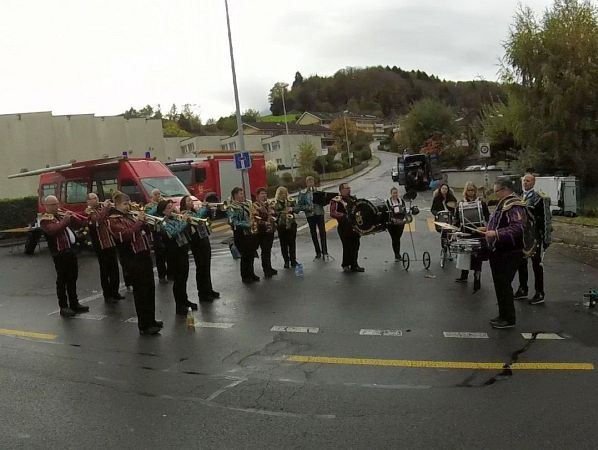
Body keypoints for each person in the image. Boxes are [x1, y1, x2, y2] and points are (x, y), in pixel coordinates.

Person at [107, 192, 161, 335]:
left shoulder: (130, 216)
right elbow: (124, 235)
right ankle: (144, 324)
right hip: (132, 258)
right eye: (125, 204)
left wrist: (146, 224)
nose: (128, 206)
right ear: (117, 205)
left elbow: (142, 231)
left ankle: (151, 319)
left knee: (149, 289)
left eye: (128, 203)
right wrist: (140, 222)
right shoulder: (113, 220)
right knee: (141, 291)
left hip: (144, 254)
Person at [483, 178, 526, 329]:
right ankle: (503, 315)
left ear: (505, 189)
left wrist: (495, 233)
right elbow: (498, 221)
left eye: (497, 191)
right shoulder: (504, 203)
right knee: (499, 284)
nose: (495, 195)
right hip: (498, 250)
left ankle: (509, 318)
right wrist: (487, 229)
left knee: (504, 285)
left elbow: (517, 228)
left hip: (509, 251)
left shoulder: (514, 205)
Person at [40, 196, 89, 317]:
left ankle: (74, 303)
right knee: (62, 280)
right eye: (53, 205)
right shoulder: (45, 219)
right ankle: (63, 306)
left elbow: (80, 223)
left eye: (57, 204)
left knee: (73, 278)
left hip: (70, 251)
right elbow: (53, 230)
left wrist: (75, 217)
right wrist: (66, 220)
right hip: (59, 253)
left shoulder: (60, 216)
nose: (57, 206)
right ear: (47, 206)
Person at [514, 173, 550, 305]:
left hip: (535, 236)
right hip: (523, 237)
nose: (525, 183)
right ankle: (523, 288)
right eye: (524, 181)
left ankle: (540, 292)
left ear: (533, 183)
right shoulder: (519, 197)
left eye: (528, 181)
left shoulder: (539, 198)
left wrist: (546, 239)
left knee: (536, 265)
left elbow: (546, 219)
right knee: (521, 263)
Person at [157, 200, 195, 315]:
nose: (172, 209)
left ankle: (185, 300)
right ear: (163, 211)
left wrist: (187, 221)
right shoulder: (162, 222)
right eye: (169, 208)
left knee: (184, 278)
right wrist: (183, 222)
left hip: (182, 250)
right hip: (173, 253)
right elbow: (172, 232)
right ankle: (179, 306)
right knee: (178, 280)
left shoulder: (174, 218)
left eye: (172, 207)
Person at [180, 196, 220, 302]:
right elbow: (197, 218)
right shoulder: (185, 213)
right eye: (188, 201)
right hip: (196, 242)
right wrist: (204, 207)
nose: (191, 202)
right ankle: (202, 293)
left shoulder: (194, 211)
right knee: (201, 268)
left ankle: (209, 289)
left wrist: (209, 210)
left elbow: (206, 218)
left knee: (207, 267)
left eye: (191, 200)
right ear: (183, 204)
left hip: (204, 239)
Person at [86, 193, 124, 304]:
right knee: (105, 270)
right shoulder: (89, 211)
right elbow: (97, 221)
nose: (96, 199)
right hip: (100, 244)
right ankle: (107, 295)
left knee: (114, 269)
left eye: (97, 197)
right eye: (93, 198)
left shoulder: (103, 208)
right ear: (88, 201)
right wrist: (106, 209)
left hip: (110, 242)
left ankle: (115, 292)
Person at [454, 182, 490, 292]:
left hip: (478, 233)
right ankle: (464, 275)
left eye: (472, 190)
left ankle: (477, 276)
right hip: (466, 232)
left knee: (477, 256)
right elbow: (457, 218)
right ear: (466, 191)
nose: (471, 192)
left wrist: (486, 228)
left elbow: (487, 217)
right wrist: (455, 229)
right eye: (469, 190)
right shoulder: (460, 203)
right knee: (465, 254)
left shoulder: (481, 203)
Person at [227, 187, 259, 283]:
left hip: (249, 232)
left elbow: (251, 215)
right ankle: (245, 276)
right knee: (245, 255)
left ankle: (251, 273)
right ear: (235, 195)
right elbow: (232, 222)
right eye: (241, 194)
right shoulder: (232, 207)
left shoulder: (245, 205)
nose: (243, 196)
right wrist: (247, 224)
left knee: (251, 253)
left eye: (242, 194)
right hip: (240, 234)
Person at [330, 183, 364, 272]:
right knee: (347, 246)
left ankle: (354, 265)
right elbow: (333, 212)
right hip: (344, 227)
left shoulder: (353, 199)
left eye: (349, 187)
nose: (349, 189)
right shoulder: (337, 200)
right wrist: (344, 216)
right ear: (341, 190)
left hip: (355, 227)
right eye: (347, 188)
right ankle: (346, 264)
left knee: (356, 245)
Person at [298, 176, 328, 259]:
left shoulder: (319, 190)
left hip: (319, 213)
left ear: (314, 182)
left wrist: (323, 201)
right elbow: (299, 205)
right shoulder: (303, 193)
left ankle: (325, 251)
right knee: (313, 233)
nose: (310, 183)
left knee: (322, 232)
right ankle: (318, 252)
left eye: (312, 182)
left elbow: (325, 201)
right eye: (309, 182)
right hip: (310, 215)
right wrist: (307, 208)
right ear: (306, 183)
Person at [145, 189, 169, 284]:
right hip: (156, 230)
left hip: (166, 228)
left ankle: (170, 273)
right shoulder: (149, 206)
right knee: (160, 255)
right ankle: (162, 276)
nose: (158, 196)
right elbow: (148, 215)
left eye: (159, 193)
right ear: (152, 196)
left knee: (168, 252)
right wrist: (159, 206)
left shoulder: (164, 203)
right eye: (156, 194)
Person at [253, 188, 278, 277]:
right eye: (262, 194)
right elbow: (255, 218)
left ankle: (269, 267)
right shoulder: (255, 205)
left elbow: (273, 214)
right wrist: (265, 222)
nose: (264, 196)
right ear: (257, 196)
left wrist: (273, 214)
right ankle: (266, 269)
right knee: (265, 250)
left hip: (270, 230)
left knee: (268, 250)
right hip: (262, 231)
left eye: (265, 194)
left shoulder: (268, 204)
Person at [274, 186, 300, 269]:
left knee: (292, 243)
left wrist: (292, 208)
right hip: (281, 225)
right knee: (283, 244)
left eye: (285, 193)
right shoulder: (275, 203)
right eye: (282, 193)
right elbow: (274, 213)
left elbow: (298, 209)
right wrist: (282, 212)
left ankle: (293, 260)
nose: (284, 195)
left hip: (291, 223)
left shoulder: (290, 200)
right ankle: (286, 261)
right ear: (278, 194)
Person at [385, 187, 406, 262]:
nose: (395, 194)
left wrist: (404, 218)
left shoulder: (401, 200)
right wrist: (392, 219)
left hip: (400, 222)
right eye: (394, 193)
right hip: (391, 224)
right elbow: (386, 212)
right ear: (391, 194)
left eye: (396, 193)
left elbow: (404, 210)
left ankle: (398, 254)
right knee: (394, 238)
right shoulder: (388, 202)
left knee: (398, 238)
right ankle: (397, 255)